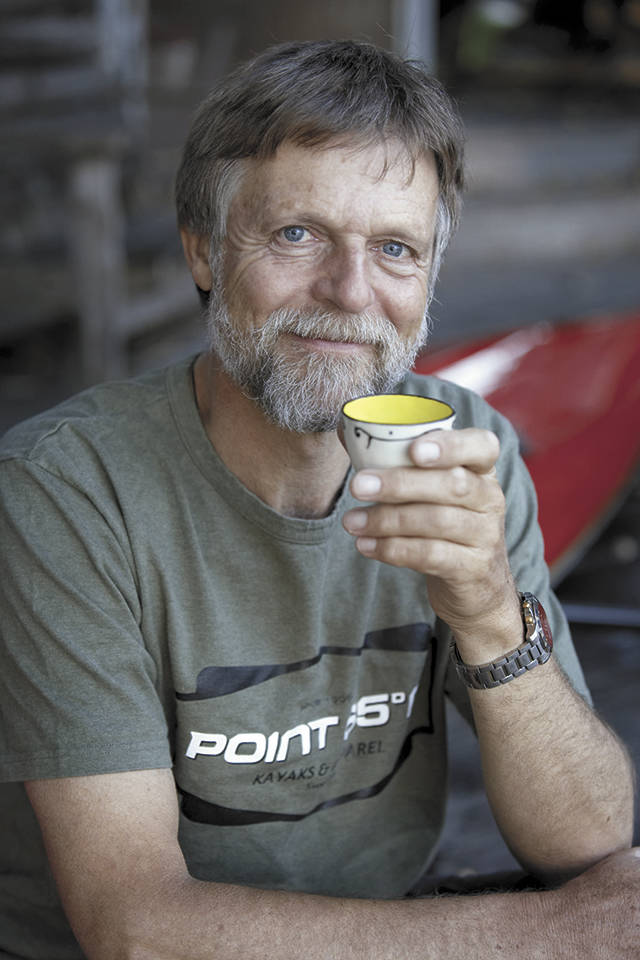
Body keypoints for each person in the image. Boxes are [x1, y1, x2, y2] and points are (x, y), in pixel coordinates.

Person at [0, 39, 637, 960]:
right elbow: (134, 930)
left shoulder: (465, 447)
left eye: (394, 249)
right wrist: (541, 936)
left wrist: (493, 618)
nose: (350, 292)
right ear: (204, 251)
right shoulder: (66, 493)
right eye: (298, 234)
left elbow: (590, 838)